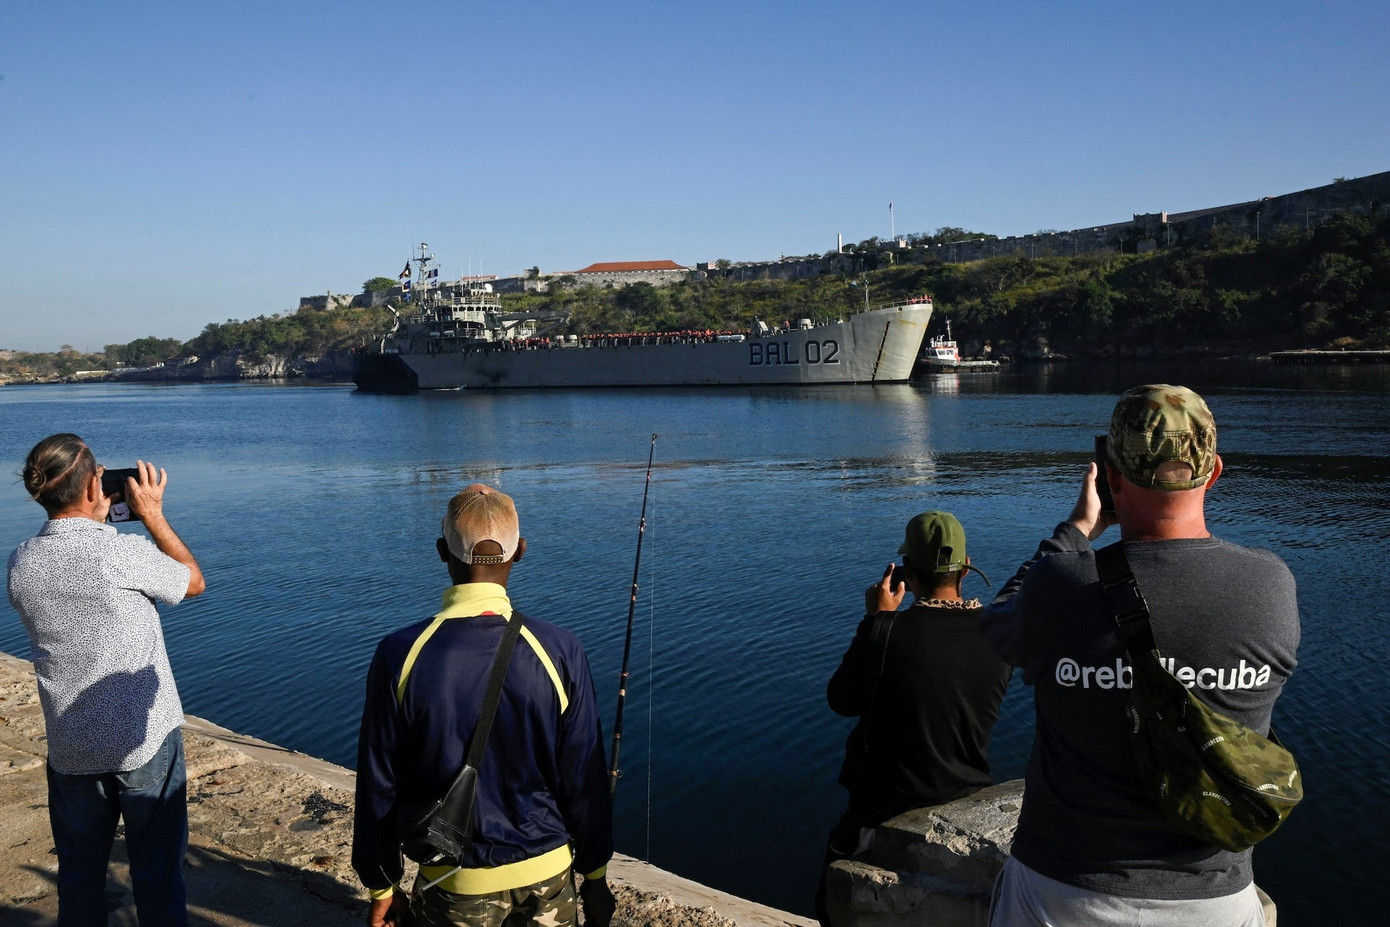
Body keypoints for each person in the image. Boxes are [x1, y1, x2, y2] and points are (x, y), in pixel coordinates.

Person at [981, 385, 1300, 926]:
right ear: (1214, 471)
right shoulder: (1268, 584)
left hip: (1062, 892)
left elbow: (998, 623)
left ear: (1109, 476)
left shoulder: (1061, 583)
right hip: (1216, 900)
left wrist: (1077, 530)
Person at [353, 483, 615, 927]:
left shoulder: (401, 653)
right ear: (521, 552)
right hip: (548, 876)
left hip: (454, 882)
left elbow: (379, 780)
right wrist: (594, 875)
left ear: (442, 552)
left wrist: (382, 885)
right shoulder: (560, 649)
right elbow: (583, 775)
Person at [7, 433, 207, 925]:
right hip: (142, 744)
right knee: (157, 875)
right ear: (95, 486)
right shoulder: (120, 554)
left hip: (72, 745)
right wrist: (154, 514)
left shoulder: (20, 563)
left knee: (79, 877)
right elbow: (193, 581)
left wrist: (94, 514)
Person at [817, 511, 1011, 926]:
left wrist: (875, 619)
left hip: (886, 810)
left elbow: (841, 699)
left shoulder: (887, 632)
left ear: (906, 572)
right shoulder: (998, 635)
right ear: (965, 566)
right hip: (967, 796)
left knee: (829, 901)